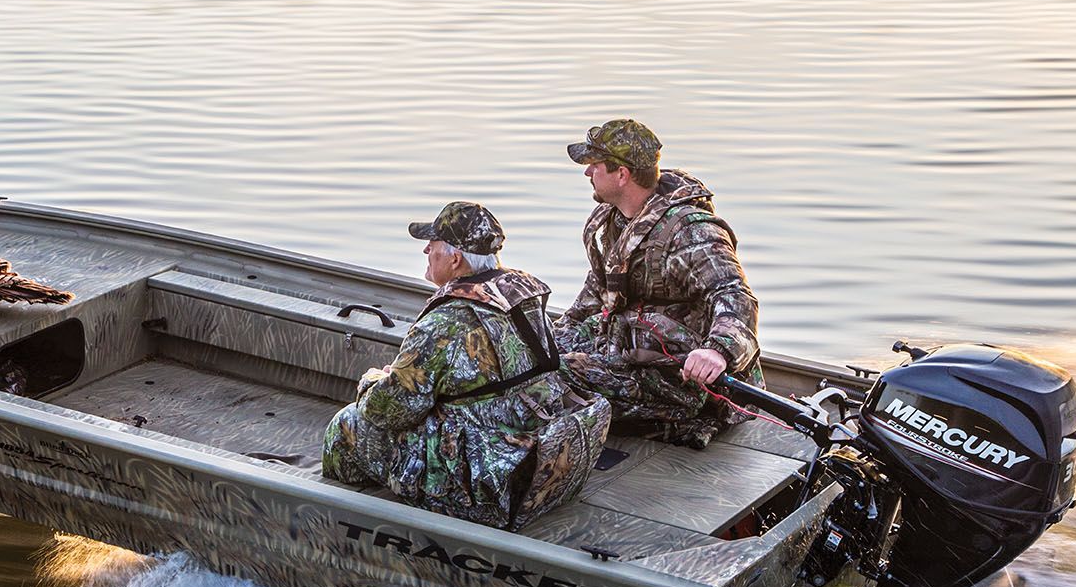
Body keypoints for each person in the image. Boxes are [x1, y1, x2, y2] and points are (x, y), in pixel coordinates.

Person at [322, 201, 612, 529]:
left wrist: (373, 380)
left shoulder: (442, 323)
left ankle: (335, 523)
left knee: (347, 423)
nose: (426, 250)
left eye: (433, 244)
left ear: (455, 259)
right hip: (530, 455)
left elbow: (386, 411)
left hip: (485, 480)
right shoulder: (524, 300)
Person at [555, 119, 763, 447]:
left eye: (595, 165)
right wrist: (550, 340)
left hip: (682, 378)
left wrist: (717, 351)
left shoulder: (690, 232)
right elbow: (596, 294)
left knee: (555, 376)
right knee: (537, 360)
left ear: (622, 175)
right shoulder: (615, 219)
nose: (587, 172)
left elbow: (735, 295)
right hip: (627, 349)